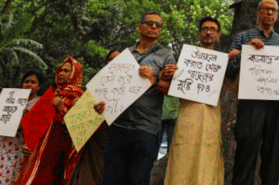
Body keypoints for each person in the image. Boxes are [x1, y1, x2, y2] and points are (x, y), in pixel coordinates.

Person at [226, 0, 279, 185]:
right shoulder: (243, 37)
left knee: (273, 152)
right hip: (250, 102)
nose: (269, 13)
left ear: (277, 16)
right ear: (258, 12)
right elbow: (229, 70)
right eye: (266, 9)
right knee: (246, 149)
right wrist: (245, 51)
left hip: (276, 104)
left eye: (273, 10)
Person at [100, 12, 177, 185]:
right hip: (118, 125)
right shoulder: (125, 54)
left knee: (138, 180)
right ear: (139, 27)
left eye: (158, 25)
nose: (154, 27)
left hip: (146, 128)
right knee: (111, 179)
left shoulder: (166, 56)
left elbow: (171, 90)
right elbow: (109, 86)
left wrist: (154, 80)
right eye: (150, 23)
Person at [164, 17, 226, 185]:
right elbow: (171, 89)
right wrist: (169, 76)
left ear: (218, 35)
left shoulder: (223, 62)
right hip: (187, 115)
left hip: (211, 116)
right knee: (183, 155)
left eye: (212, 29)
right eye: (205, 29)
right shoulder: (186, 59)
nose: (208, 32)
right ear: (199, 34)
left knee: (208, 156)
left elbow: (233, 87)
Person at [15, 57, 85, 185]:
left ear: (75, 74)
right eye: (60, 70)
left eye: (66, 71)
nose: (61, 73)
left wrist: (61, 108)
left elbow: (78, 129)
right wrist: (30, 145)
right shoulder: (53, 94)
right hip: (40, 149)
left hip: (59, 150)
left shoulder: (80, 98)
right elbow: (38, 124)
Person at [67, 49, 121, 185]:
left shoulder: (133, 85)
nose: (114, 61)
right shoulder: (98, 83)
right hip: (95, 136)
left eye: (118, 58)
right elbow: (86, 109)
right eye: (110, 59)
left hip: (119, 137)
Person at [0, 70, 44, 185]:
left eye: (33, 82)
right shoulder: (10, 99)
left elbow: (38, 130)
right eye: (26, 81)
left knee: (8, 178)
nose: (29, 84)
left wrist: (26, 121)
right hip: (2, 144)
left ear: (40, 86)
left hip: (19, 148)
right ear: (21, 84)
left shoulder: (39, 104)